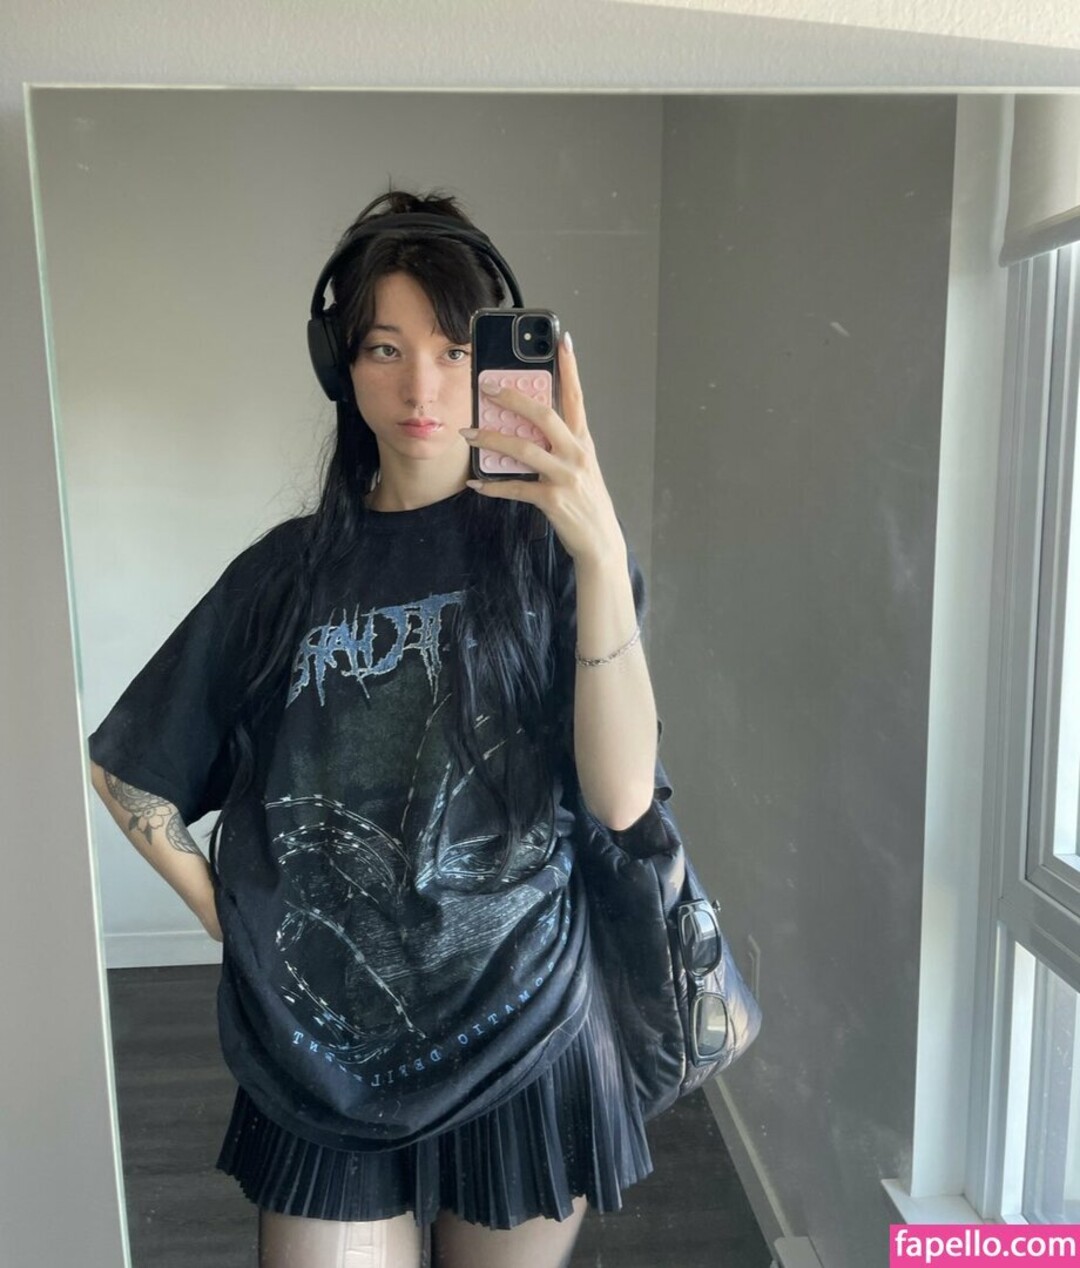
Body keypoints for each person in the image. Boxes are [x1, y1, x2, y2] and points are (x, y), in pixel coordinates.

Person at [88, 190, 665, 1268]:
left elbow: (624, 796)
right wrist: (231, 920)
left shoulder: (556, 554)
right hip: (323, 1058)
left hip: (526, 1027)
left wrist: (596, 550)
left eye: (454, 351)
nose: (420, 388)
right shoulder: (282, 574)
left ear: (496, 365)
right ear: (340, 366)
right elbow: (131, 769)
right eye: (385, 349)